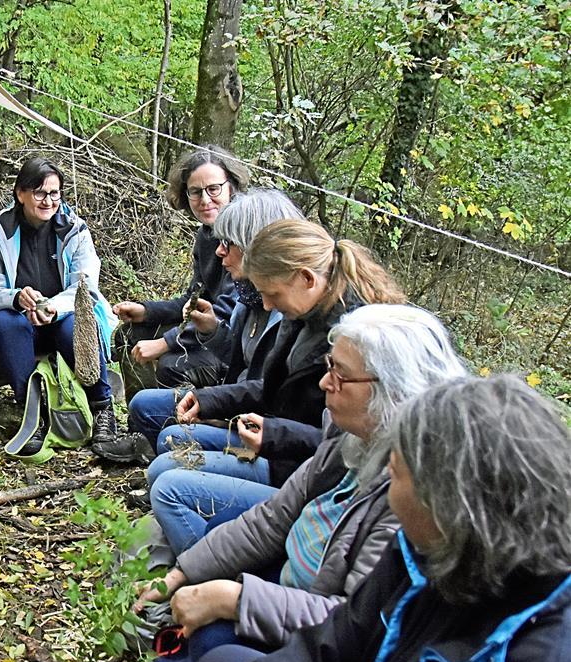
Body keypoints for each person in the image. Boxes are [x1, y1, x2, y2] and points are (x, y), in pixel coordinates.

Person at [152, 375, 571, 662]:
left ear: (448, 504)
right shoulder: (423, 555)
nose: (385, 478)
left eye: (397, 471)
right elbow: (327, 654)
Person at [133, 306, 469, 660]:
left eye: (340, 375)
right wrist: (181, 574)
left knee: (215, 650)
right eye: (329, 367)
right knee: (208, 551)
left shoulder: (409, 496)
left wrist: (235, 600)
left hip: (319, 635)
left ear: (394, 389)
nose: (325, 382)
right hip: (289, 577)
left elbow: (353, 623)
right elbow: (273, 519)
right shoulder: (348, 440)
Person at [146, 219, 404, 494]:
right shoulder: (304, 317)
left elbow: (352, 444)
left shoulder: (356, 342)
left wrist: (275, 436)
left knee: (169, 484)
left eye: (272, 294)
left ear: (307, 278)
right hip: (278, 449)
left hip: (306, 473)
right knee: (171, 442)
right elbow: (273, 389)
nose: (268, 305)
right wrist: (209, 399)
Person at [95, 189, 303, 465]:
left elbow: (272, 398)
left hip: (257, 429)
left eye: (228, 243)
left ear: (257, 246)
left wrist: (217, 408)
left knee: (172, 438)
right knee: (142, 404)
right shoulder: (249, 299)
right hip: (235, 403)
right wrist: (212, 330)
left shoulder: (290, 311)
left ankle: (171, 467)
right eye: (194, 191)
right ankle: (155, 457)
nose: (219, 251)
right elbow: (236, 362)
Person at [0, 156, 119, 451]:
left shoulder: (74, 229)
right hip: (20, 318)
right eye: (40, 193)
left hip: (63, 314)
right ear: (21, 194)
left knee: (77, 324)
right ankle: (34, 416)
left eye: (54, 193)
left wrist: (54, 307)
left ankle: (102, 408)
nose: (48, 201)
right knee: (5, 323)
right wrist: (15, 298)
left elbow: (85, 285)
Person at [112, 147, 248, 397]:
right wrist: (147, 311)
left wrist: (164, 343)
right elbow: (193, 300)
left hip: (232, 344)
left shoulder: (242, 236)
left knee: (170, 364)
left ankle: (181, 426)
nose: (205, 200)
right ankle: (139, 423)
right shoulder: (206, 235)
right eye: (196, 192)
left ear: (231, 187)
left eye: (214, 189)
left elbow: (225, 315)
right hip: (203, 329)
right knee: (127, 334)